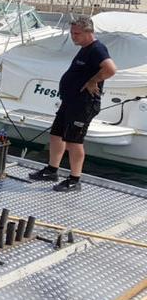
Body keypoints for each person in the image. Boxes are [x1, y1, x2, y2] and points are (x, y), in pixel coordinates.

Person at [28, 16, 116, 192]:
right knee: (56, 135)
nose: (73, 37)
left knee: (74, 142)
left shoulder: (97, 49)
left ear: (89, 32)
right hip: (70, 102)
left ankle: (75, 179)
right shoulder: (85, 48)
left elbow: (110, 69)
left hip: (83, 104)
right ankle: (52, 170)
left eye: (77, 34)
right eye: (72, 33)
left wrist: (93, 81)